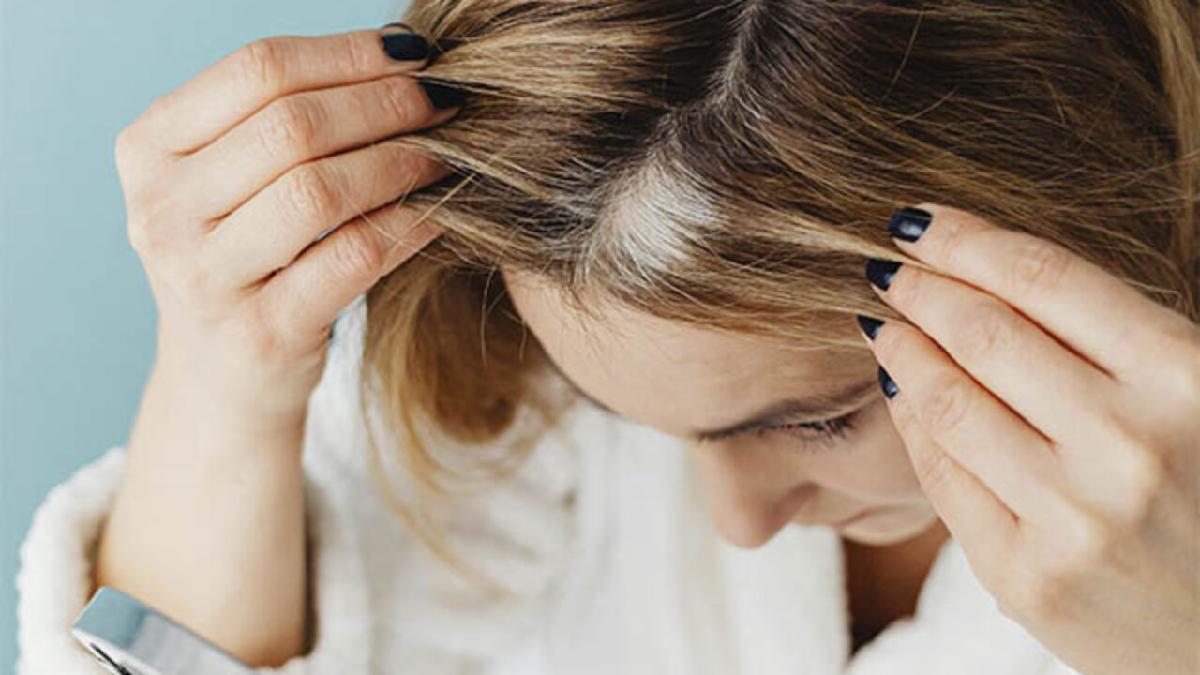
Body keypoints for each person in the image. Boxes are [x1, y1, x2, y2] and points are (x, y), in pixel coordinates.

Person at [17, 1, 1199, 673]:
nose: (735, 524)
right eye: (648, 422)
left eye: (821, 417)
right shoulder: (508, 405)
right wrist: (223, 374)